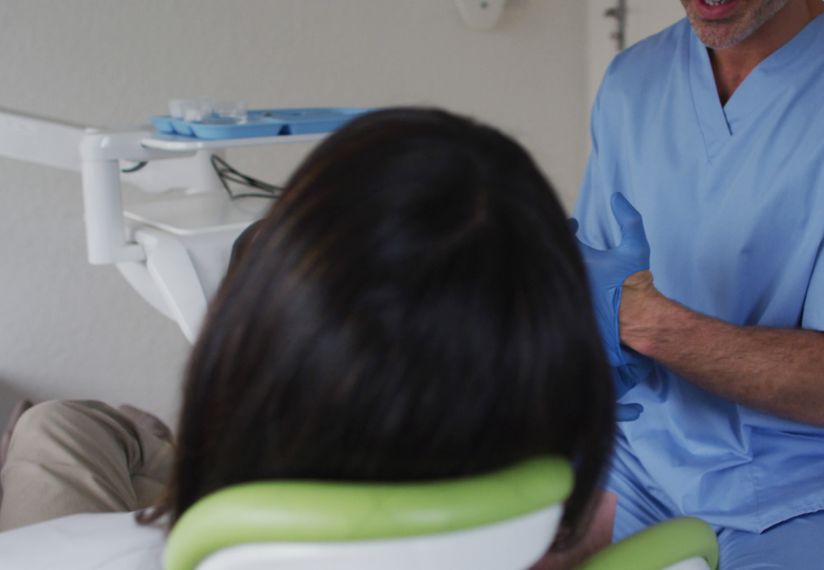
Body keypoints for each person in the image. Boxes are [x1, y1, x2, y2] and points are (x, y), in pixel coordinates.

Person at [0, 108, 616, 567]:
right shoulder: (545, 515)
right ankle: (152, 447)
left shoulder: (75, 556)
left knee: (56, 430)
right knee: (70, 425)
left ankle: (156, 451)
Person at [572, 0, 824, 568]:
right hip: (642, 454)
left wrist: (649, 324)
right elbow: (596, 296)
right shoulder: (632, 83)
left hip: (810, 481)